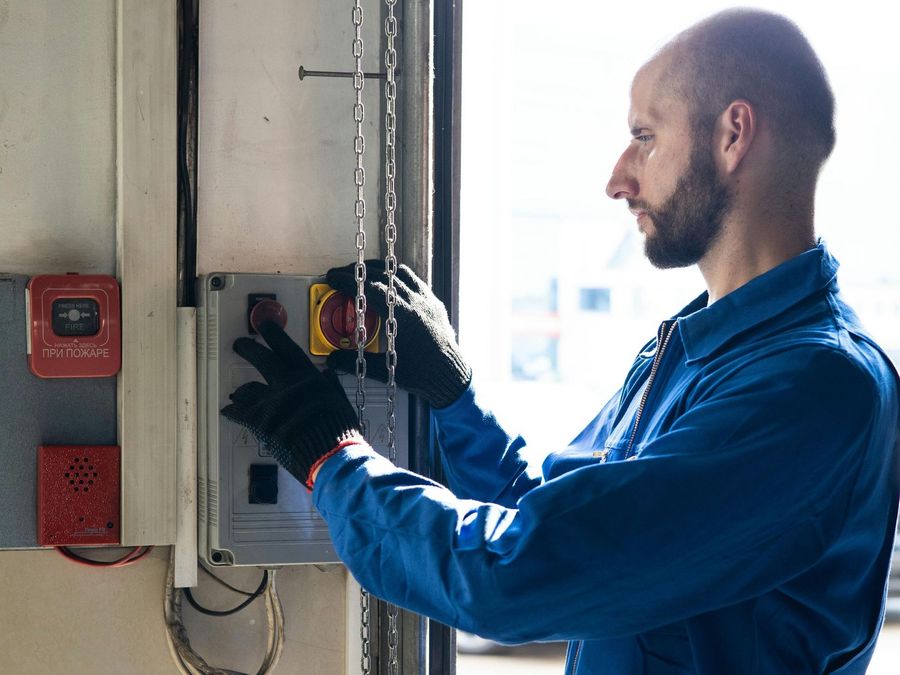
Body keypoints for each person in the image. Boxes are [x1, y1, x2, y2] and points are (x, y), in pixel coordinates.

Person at [222, 8, 900, 674]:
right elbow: (551, 515)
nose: (618, 178)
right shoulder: (699, 352)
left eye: (645, 137)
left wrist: (336, 460)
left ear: (733, 134)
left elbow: (520, 573)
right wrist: (453, 393)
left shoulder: (814, 387)